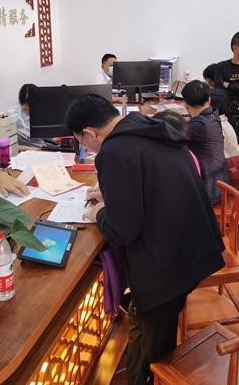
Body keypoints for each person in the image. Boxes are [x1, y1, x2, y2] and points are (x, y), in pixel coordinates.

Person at [68, 94, 224, 385]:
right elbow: (152, 182)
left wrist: (100, 213)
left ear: (90, 133)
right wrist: (112, 194)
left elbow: (122, 230)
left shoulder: (114, 151)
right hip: (191, 248)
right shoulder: (147, 128)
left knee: (152, 349)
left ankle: (150, 378)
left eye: (82, 142)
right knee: (152, 330)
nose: (86, 148)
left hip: (165, 266)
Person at [182, 80, 231, 204]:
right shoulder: (213, 115)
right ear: (209, 100)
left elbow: (172, 135)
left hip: (209, 189)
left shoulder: (198, 126)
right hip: (220, 181)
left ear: (186, 104)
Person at [13, 83, 47, 149]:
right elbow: (8, 146)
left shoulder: (42, 112)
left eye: (33, 106)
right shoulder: (13, 115)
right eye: (26, 108)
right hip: (24, 150)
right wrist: (27, 149)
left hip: (43, 148)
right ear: (20, 102)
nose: (30, 110)